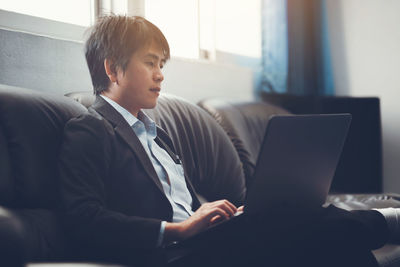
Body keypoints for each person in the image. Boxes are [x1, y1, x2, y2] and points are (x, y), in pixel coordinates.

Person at [58, 15, 397, 267]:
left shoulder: (157, 133)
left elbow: (184, 205)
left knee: (329, 242)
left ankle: (382, 224)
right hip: (170, 256)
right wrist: (180, 229)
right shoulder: (90, 129)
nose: (160, 74)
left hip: (206, 244)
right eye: (150, 63)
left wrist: (216, 217)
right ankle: (388, 222)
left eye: (161, 64)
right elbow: (84, 220)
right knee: (300, 226)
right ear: (112, 70)